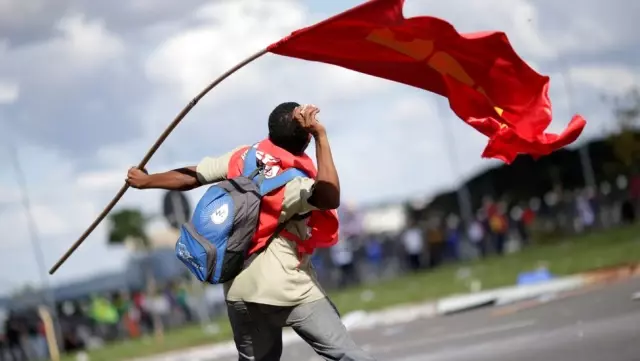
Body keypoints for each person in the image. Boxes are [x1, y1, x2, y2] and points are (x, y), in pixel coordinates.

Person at [126, 103, 375, 361]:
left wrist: (146, 181)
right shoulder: (293, 184)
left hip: (238, 291)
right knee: (346, 354)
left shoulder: (244, 156)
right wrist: (321, 136)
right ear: (306, 137)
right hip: (286, 288)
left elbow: (192, 175)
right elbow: (329, 195)